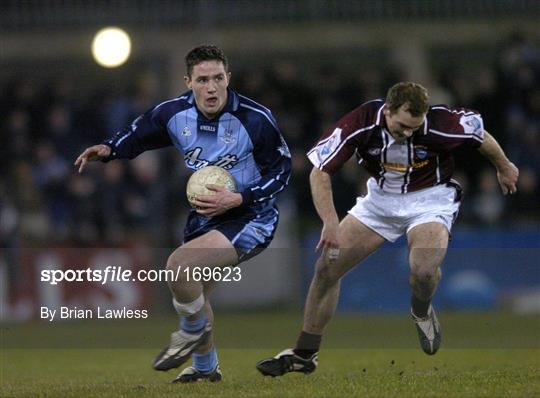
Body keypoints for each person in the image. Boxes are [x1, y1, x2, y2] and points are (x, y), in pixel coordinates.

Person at [256, 82, 518, 377]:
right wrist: (330, 222)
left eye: (415, 127)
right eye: (403, 126)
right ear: (388, 110)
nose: (409, 132)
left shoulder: (441, 123)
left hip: (430, 199)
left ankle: (421, 310)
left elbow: (480, 135)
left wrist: (504, 165)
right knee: (327, 268)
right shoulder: (362, 121)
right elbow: (320, 171)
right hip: (380, 202)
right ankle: (305, 353)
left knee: (423, 269)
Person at [75, 45, 291, 383]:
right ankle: (206, 370)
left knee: (179, 266)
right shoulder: (173, 113)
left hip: (250, 217)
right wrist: (110, 149)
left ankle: (190, 334)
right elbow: (139, 133)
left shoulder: (255, 118)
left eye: (218, 78)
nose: (211, 87)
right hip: (206, 218)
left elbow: (282, 171)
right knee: (196, 293)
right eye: (203, 79)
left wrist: (240, 198)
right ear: (188, 82)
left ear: (228, 78)